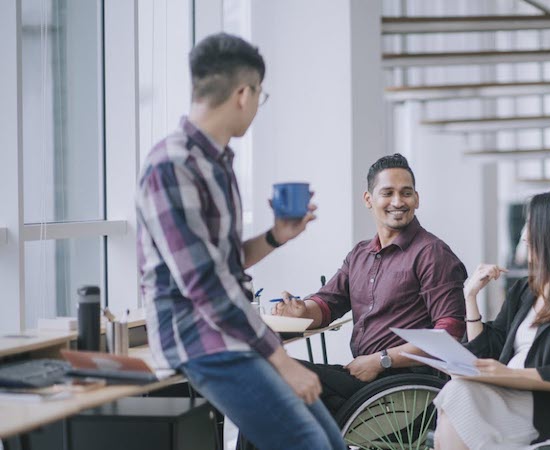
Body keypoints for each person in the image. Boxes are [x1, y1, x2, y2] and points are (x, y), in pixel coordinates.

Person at [136, 33, 345, 450]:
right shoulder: (171, 166)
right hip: (201, 341)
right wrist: (283, 361)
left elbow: (224, 263)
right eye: (260, 96)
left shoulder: (218, 164)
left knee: (330, 442)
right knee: (311, 444)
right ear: (244, 94)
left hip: (228, 334)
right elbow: (205, 286)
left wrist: (275, 237)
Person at [273, 153, 468, 415]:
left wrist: (382, 360)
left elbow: (450, 335)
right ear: (369, 199)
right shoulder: (360, 255)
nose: (398, 202)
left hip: (402, 384)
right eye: (387, 192)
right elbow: (328, 302)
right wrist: (302, 311)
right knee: (270, 376)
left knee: (276, 371)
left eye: (406, 193)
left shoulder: (432, 253)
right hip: (363, 378)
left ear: (416, 199)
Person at [434, 190, 550, 449]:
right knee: (456, 392)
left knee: (456, 401)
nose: (523, 235)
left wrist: (511, 374)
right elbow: (490, 350)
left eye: (531, 226)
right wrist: (470, 297)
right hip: (507, 393)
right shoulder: (524, 290)